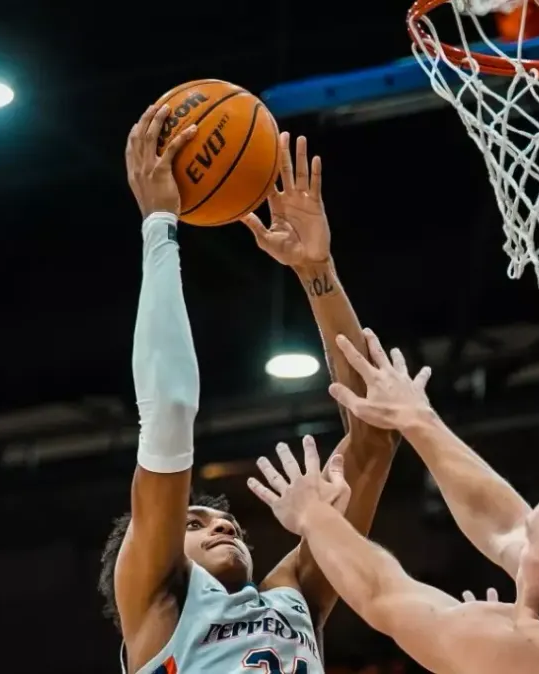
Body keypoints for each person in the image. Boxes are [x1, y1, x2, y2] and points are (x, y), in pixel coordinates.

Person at [98, 103, 398, 674]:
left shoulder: (292, 597)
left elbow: (374, 434)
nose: (223, 526)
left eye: (222, 522)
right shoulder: (158, 604)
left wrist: (319, 272)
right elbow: (168, 414)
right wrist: (159, 225)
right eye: (195, 523)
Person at [247, 328, 539, 674]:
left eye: (532, 536)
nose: (521, 534)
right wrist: (420, 422)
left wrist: (313, 515)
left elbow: (382, 593)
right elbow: (501, 522)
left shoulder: (532, 653)